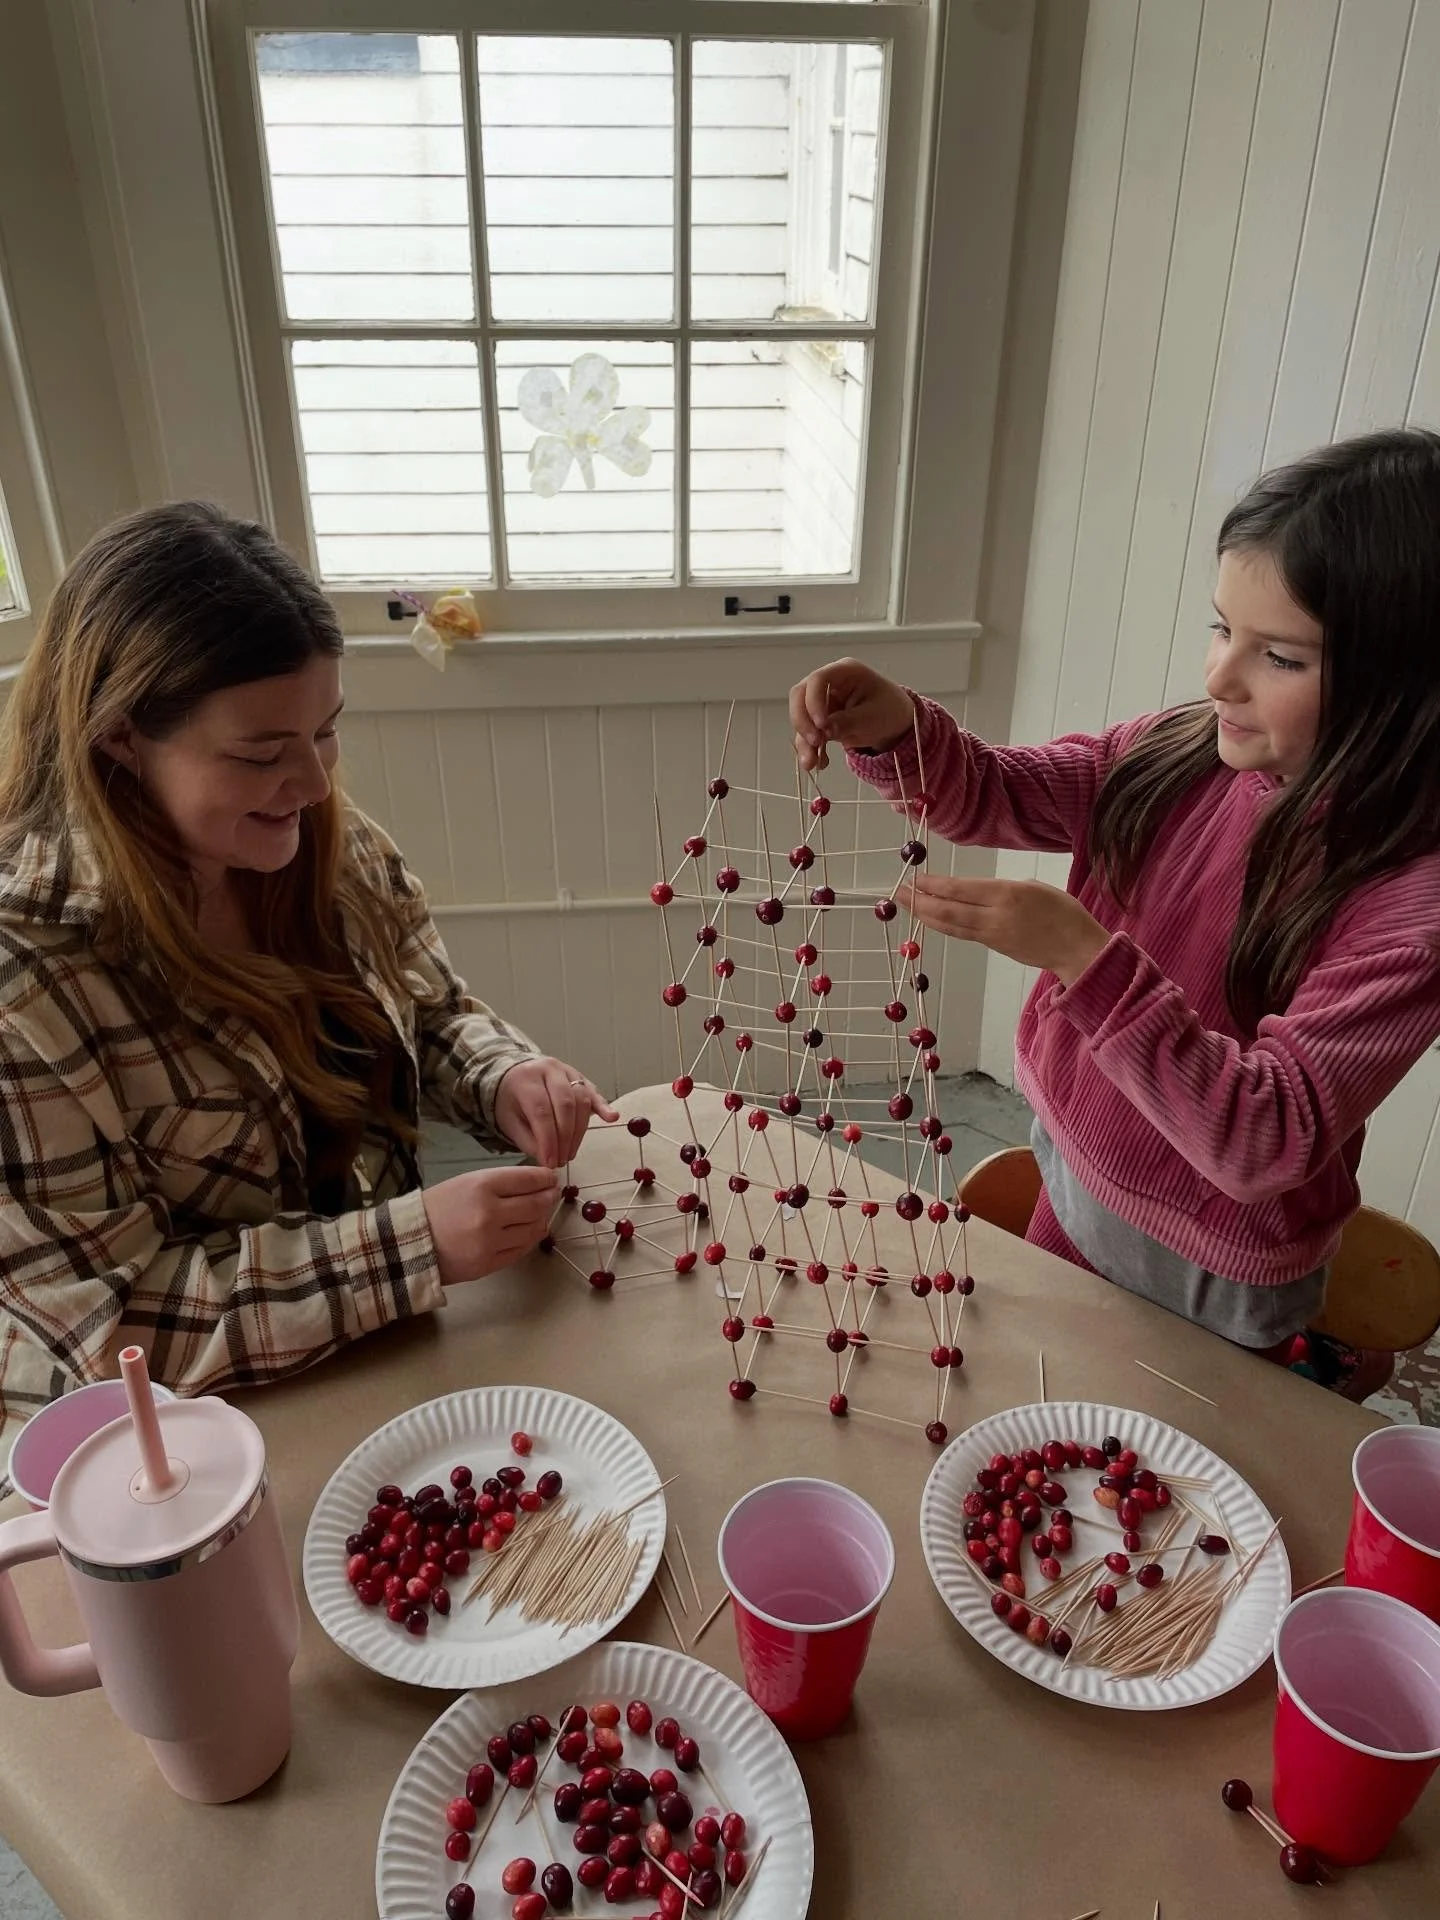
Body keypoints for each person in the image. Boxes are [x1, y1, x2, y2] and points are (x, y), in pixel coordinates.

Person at [789, 428, 1440, 1397]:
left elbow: (1269, 1136)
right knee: (1034, 1397)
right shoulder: (1178, 751)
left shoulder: (1409, 903)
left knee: (1166, 1455)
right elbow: (1000, 792)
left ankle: (1320, 1362)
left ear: (1405, 687)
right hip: (1073, 1175)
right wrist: (900, 731)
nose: (1219, 678)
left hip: (1216, 1270)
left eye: (1280, 657)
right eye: (1222, 628)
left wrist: (1082, 960)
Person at [0, 502, 615, 1459]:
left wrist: (501, 1076)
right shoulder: (26, 980)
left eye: (326, 732)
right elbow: (112, 1330)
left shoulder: (322, 839)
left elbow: (430, 1008)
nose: (317, 784)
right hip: (177, 1452)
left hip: (370, 1354)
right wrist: (409, 1248)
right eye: (261, 754)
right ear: (119, 736)